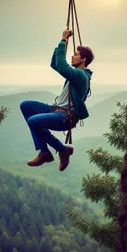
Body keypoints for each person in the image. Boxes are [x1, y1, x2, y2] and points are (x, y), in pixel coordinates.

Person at [20, 29, 94, 171]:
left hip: (65, 117)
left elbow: (61, 66)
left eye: (76, 55)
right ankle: (46, 152)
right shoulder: (76, 74)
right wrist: (61, 44)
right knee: (26, 106)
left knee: (33, 121)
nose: (72, 57)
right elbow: (55, 64)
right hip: (55, 110)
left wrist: (63, 40)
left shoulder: (81, 75)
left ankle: (58, 150)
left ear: (84, 59)